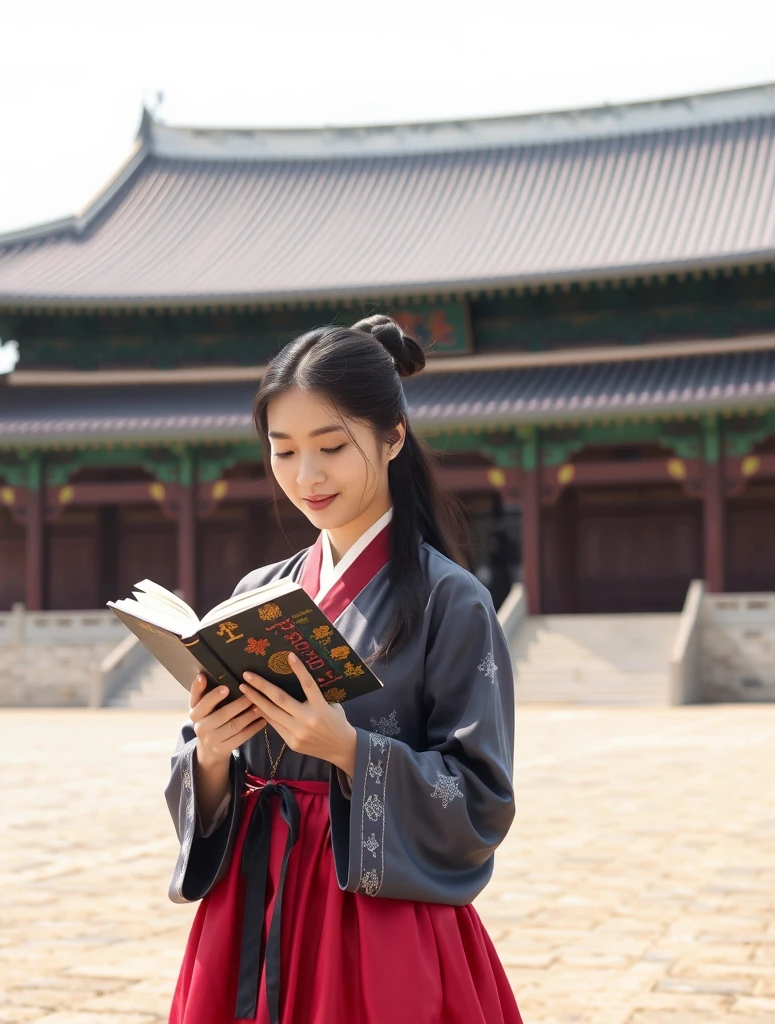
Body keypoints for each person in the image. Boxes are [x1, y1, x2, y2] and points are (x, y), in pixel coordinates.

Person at [164, 316, 522, 1024]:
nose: (307, 476)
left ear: (393, 437)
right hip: (253, 899)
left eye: (331, 446)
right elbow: (208, 769)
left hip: (375, 915)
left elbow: (482, 796)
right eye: (284, 450)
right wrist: (209, 750)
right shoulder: (259, 592)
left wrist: (349, 750)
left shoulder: (452, 599)